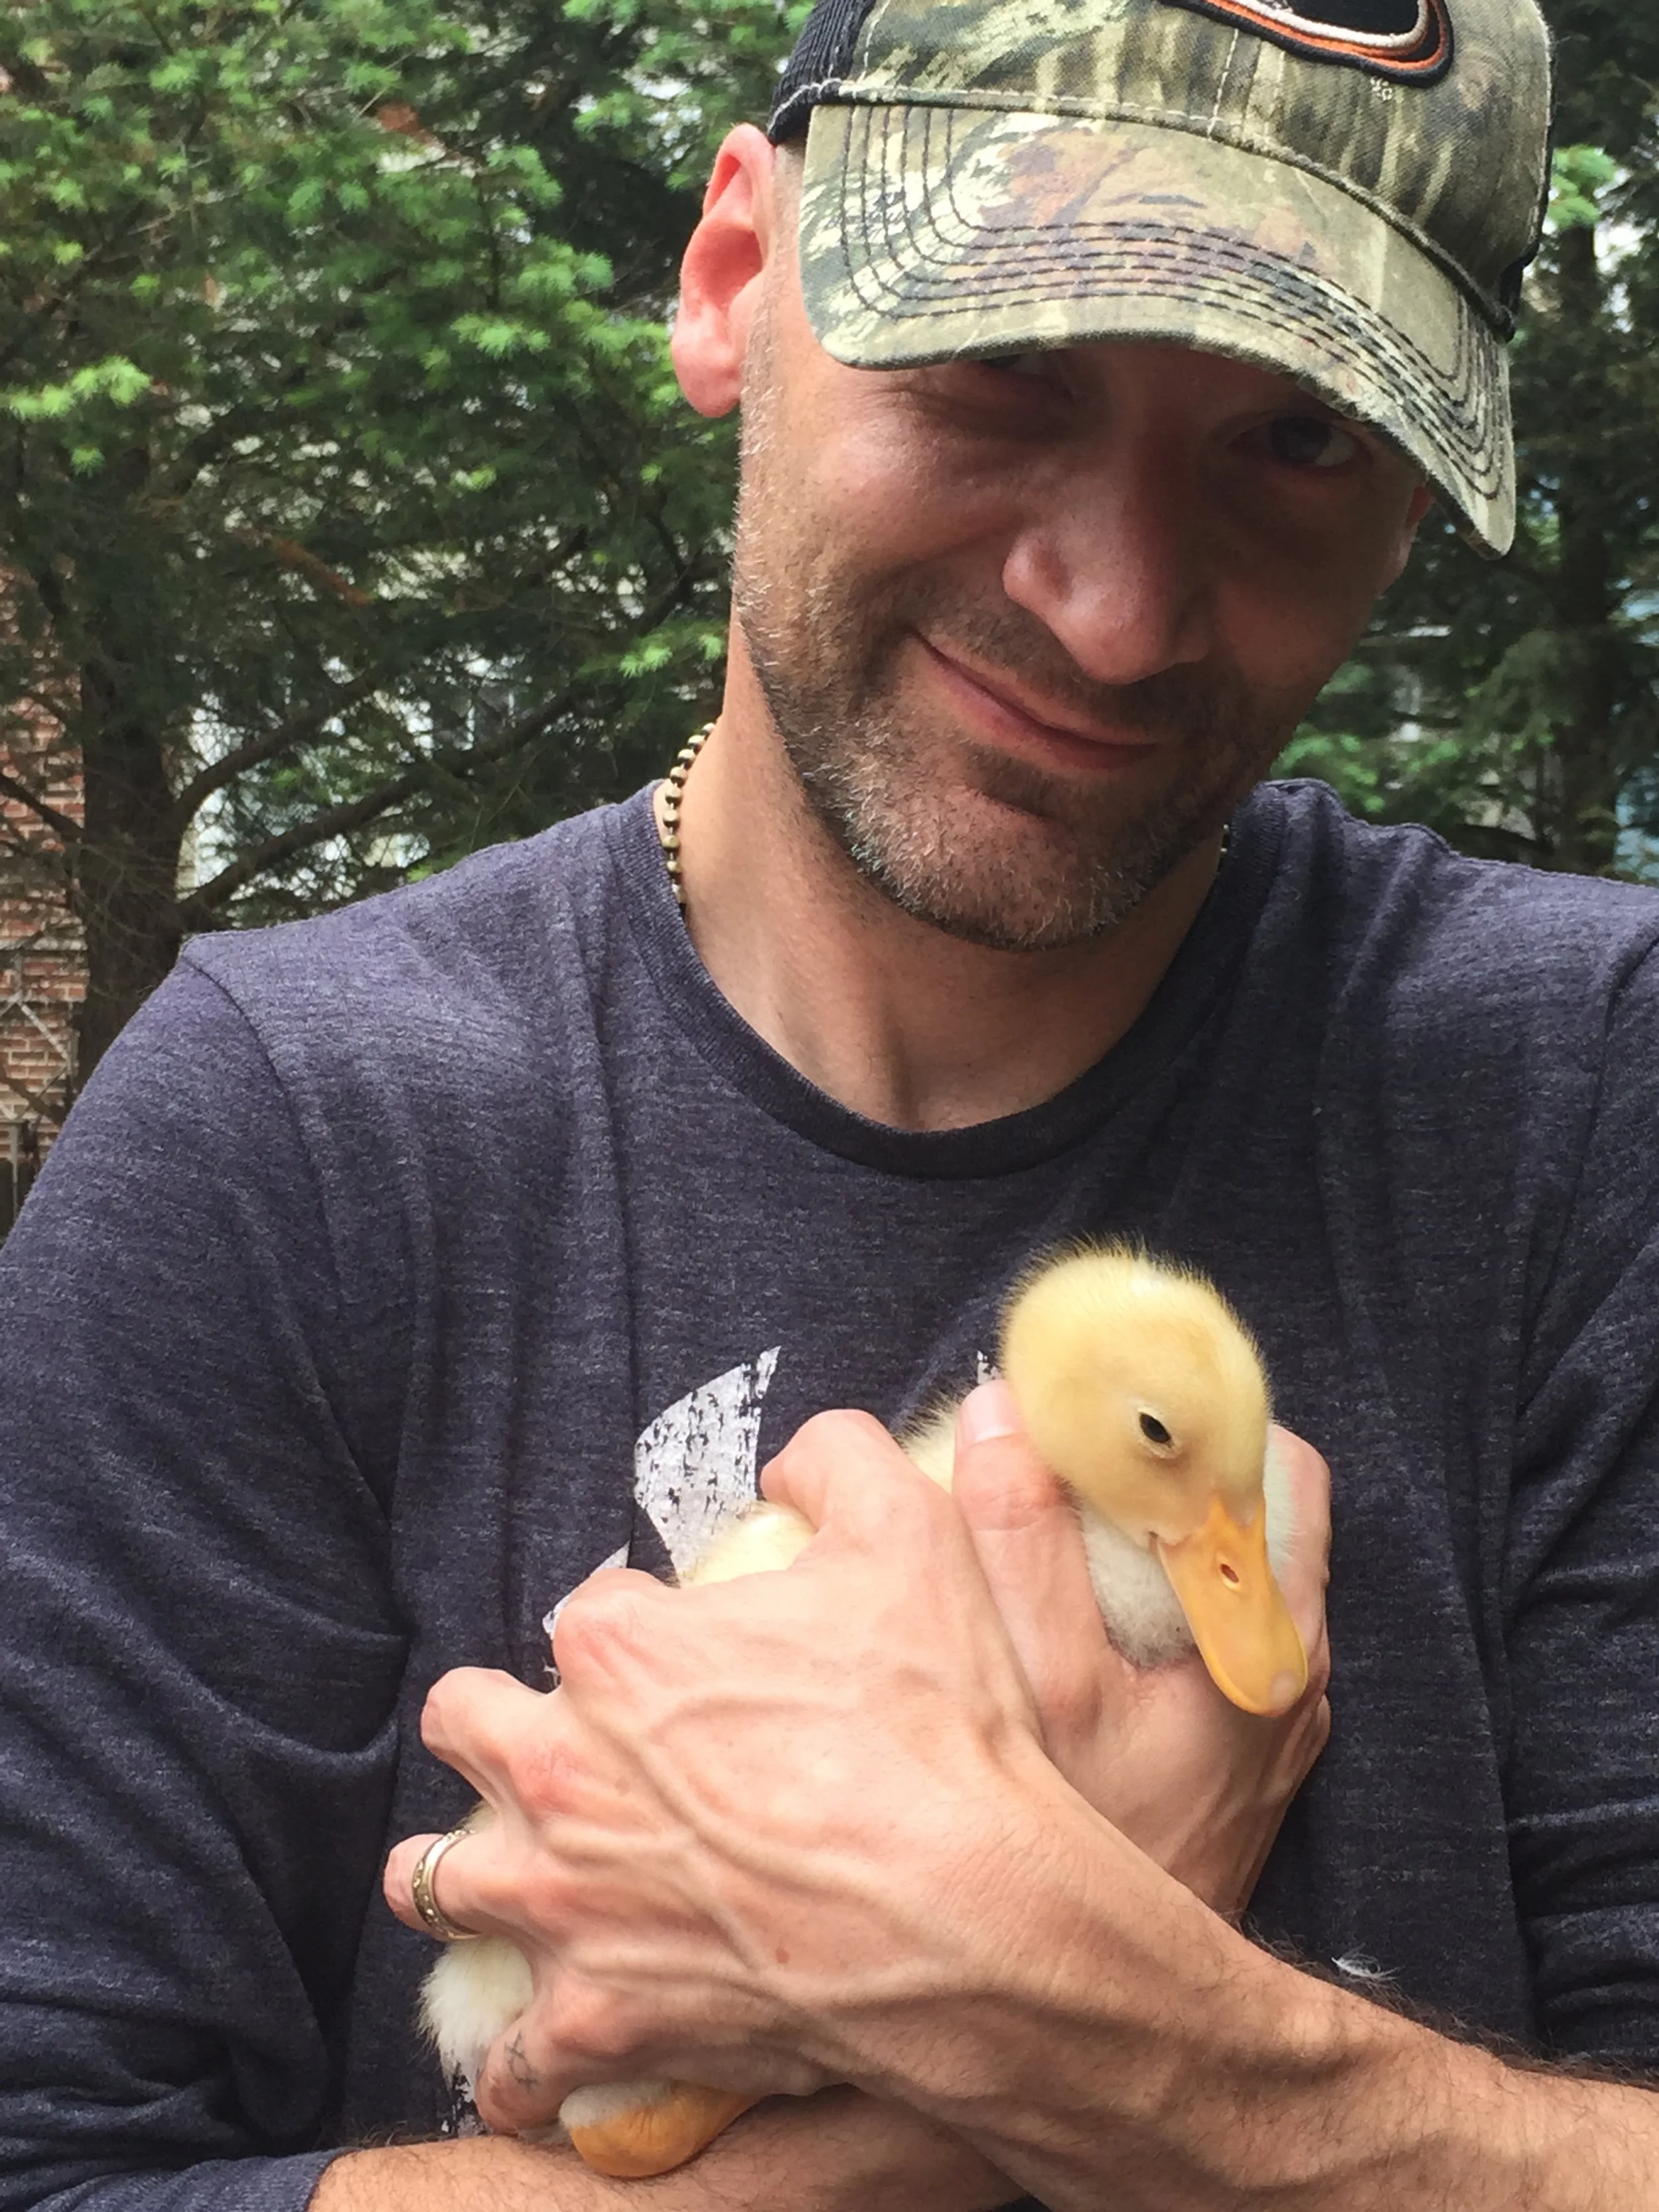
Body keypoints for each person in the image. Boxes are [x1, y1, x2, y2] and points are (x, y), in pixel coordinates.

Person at [5, 0, 1658, 2204]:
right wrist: (986, 2035)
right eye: (1003, 369)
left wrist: (1090, 2015)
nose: (1117, 608)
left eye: (1296, 444)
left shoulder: (1587, 1102)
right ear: (731, 283)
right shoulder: (289, 1138)